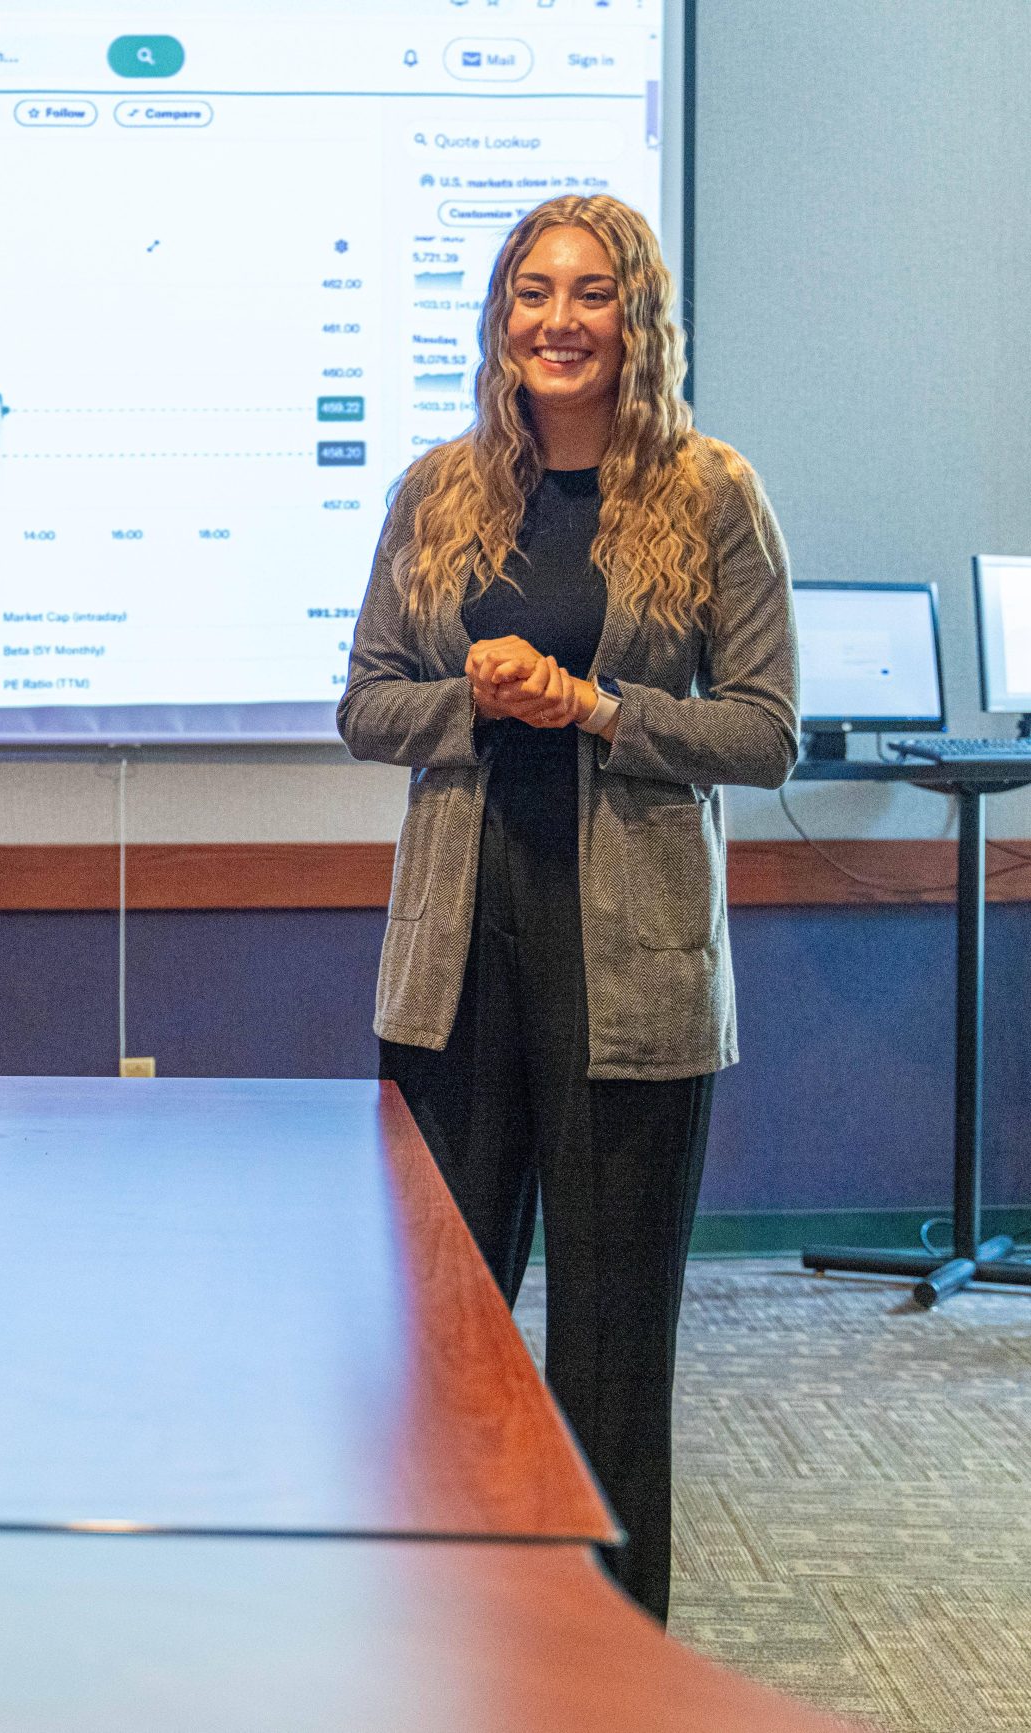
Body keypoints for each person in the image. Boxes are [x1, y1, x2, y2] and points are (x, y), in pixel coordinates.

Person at [337, 194, 798, 1622]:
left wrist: (601, 707)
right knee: (450, 1351)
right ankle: (452, 1646)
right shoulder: (436, 491)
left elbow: (770, 733)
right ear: (499, 317)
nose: (557, 319)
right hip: (456, 968)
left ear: (636, 317)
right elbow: (361, 706)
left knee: (609, 1358)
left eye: (590, 293)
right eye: (531, 292)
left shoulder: (714, 491)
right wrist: (473, 702)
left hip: (635, 979)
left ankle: (611, 1666)